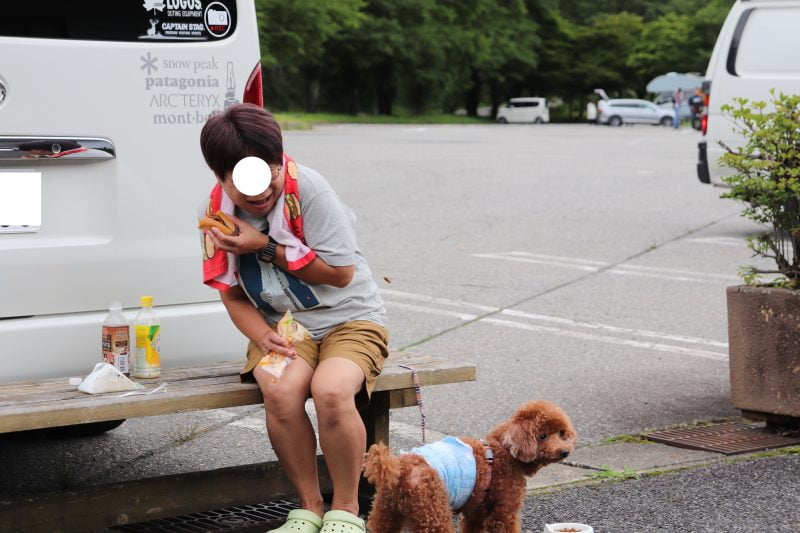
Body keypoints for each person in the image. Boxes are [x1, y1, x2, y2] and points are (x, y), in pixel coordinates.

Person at [198, 104, 388, 533]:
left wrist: (263, 246)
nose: (261, 192)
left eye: (270, 174)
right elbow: (231, 294)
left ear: (280, 159)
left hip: (351, 320)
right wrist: (262, 336)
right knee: (281, 392)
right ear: (220, 177)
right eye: (244, 183)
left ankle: (346, 511)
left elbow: (341, 274)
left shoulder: (310, 191)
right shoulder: (215, 214)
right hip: (285, 327)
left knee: (331, 391)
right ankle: (309, 508)